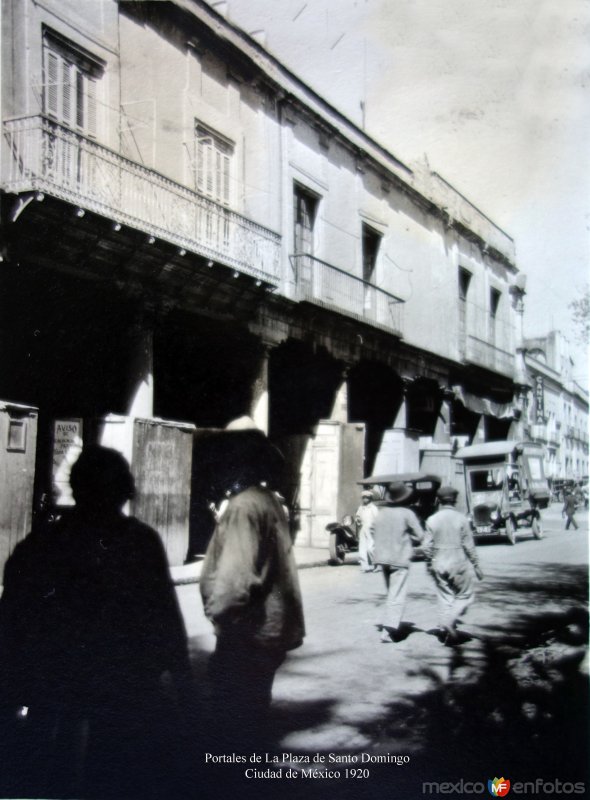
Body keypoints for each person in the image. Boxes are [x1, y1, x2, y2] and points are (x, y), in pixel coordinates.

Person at [0, 445, 192, 799]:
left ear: (75, 488)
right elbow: (166, 623)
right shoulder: (140, 543)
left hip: (58, 695)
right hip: (124, 697)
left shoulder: (43, 544)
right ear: (124, 491)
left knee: (56, 778)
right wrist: (185, 690)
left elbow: (12, 620)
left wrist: (12, 693)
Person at [200, 420, 305, 747]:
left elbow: (235, 582)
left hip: (246, 636)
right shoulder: (267, 501)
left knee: (234, 727)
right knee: (253, 718)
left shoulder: (244, 507)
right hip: (265, 633)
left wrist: (218, 615)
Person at [423, 485, 484, 645]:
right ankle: (449, 622)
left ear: (439, 501)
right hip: (457, 561)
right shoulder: (461, 519)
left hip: (438, 562)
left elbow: (426, 546)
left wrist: (429, 563)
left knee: (445, 596)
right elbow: (468, 545)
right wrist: (476, 565)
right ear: (454, 501)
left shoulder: (432, 520)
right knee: (465, 595)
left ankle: (446, 632)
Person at [370, 481, 424, 643]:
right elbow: (420, 536)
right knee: (397, 594)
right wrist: (408, 538)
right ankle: (388, 630)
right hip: (400, 558)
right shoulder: (407, 513)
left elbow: (372, 530)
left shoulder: (381, 513)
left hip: (383, 558)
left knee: (391, 593)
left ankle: (389, 623)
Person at [355, 489, 379, 572]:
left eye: (367, 498)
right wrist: (357, 519)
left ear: (370, 499)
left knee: (370, 548)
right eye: (363, 498)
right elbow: (358, 516)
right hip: (363, 528)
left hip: (371, 528)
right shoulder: (361, 508)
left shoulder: (373, 508)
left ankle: (377, 564)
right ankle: (365, 566)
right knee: (362, 548)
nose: (365, 499)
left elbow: (377, 519)